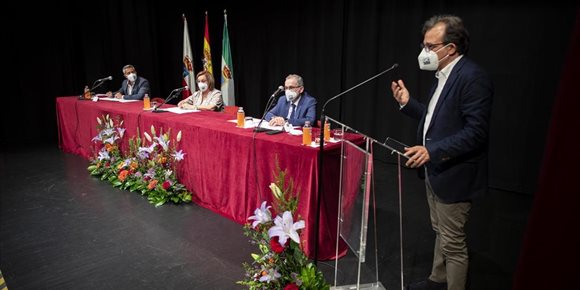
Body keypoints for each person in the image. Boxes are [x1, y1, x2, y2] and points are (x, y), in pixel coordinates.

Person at [390, 15, 493, 290]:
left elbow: (476, 133)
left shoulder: (472, 78)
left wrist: (431, 151)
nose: (424, 53)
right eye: (424, 46)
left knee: (454, 243)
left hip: (455, 173)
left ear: (451, 48)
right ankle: (438, 279)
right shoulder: (443, 75)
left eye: (430, 46)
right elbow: (435, 118)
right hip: (436, 170)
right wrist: (408, 103)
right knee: (441, 232)